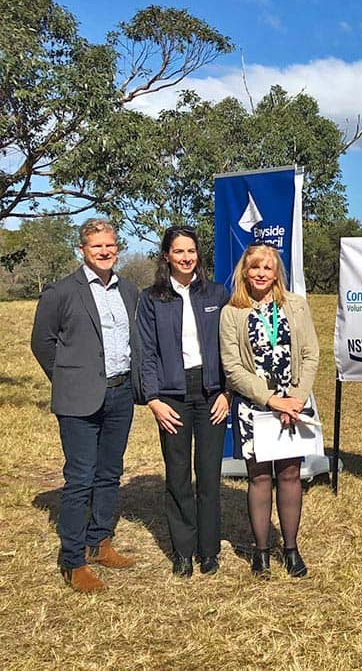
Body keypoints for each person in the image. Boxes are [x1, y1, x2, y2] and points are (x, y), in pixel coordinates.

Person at [30, 218, 144, 593]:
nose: (105, 251)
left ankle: (99, 541)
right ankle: (73, 559)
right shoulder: (62, 292)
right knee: (80, 478)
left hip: (120, 394)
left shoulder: (129, 291)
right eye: (97, 246)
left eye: (110, 245)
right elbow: (42, 343)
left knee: (110, 473)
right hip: (78, 399)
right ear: (83, 250)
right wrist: (67, 379)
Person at [219, 243, 318, 578]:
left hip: (293, 404)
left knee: (290, 475)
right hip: (255, 407)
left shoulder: (296, 306)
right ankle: (261, 551)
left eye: (268, 268)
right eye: (255, 267)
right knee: (259, 477)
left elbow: (310, 355)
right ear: (244, 271)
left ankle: (290, 548)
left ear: (277, 273)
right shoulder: (232, 311)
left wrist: (295, 399)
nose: (261, 274)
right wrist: (271, 400)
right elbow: (232, 368)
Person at [137, 226, 230, 578]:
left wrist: (227, 392)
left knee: (208, 476)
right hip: (172, 397)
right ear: (167, 256)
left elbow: (232, 348)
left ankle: (209, 550)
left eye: (191, 251)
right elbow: (146, 353)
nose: (186, 258)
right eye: (179, 252)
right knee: (178, 477)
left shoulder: (217, 294)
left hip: (211, 395)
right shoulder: (152, 299)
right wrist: (154, 399)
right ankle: (183, 552)